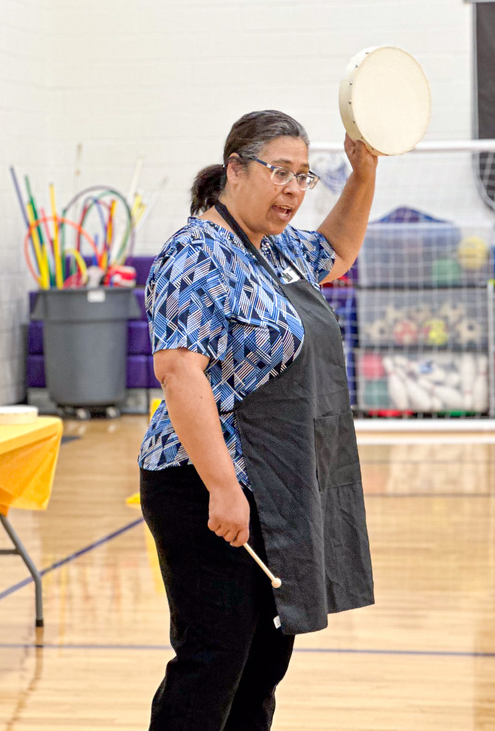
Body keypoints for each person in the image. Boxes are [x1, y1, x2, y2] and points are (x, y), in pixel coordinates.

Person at [138, 109, 377, 730]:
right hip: (201, 484)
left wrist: (364, 172)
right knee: (214, 657)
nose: (294, 190)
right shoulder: (194, 254)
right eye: (280, 173)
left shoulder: (275, 248)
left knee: (266, 658)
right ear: (235, 169)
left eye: (304, 176)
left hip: (272, 485)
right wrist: (222, 486)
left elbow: (337, 250)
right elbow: (179, 374)